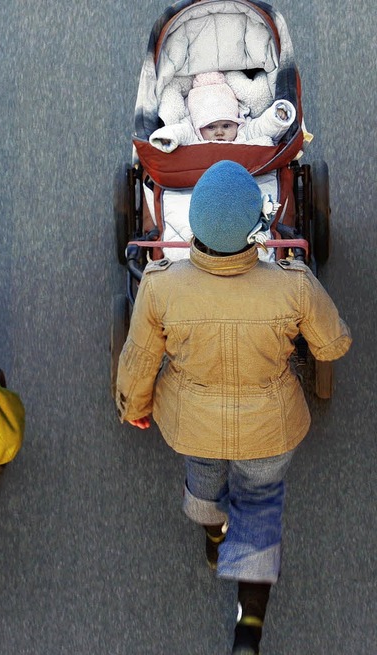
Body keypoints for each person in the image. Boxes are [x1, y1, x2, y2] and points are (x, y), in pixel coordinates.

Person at [115, 161, 351, 654]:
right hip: (270, 429)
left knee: (203, 475)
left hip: (193, 424)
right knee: (260, 501)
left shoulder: (160, 287)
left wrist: (133, 406)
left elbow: (138, 362)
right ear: (255, 231)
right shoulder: (294, 285)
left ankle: (215, 533)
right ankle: (249, 625)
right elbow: (332, 347)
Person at [148, 72, 296, 153]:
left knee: (263, 141)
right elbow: (178, 131)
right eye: (211, 127)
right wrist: (167, 138)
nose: (219, 133)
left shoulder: (243, 131)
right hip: (200, 178)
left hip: (245, 174)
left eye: (226, 126)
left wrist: (276, 117)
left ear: (236, 122)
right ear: (199, 126)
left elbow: (262, 126)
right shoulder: (193, 135)